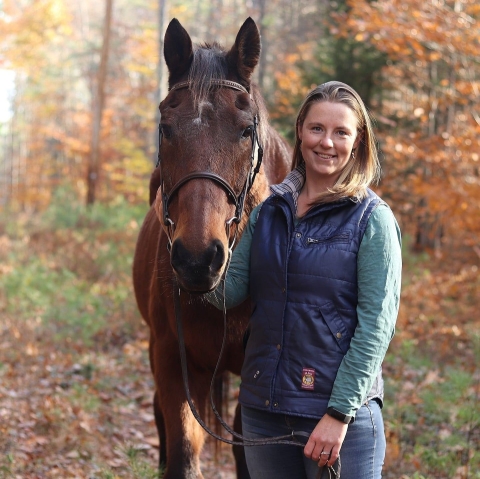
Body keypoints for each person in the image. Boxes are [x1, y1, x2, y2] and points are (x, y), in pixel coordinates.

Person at [206, 81, 402, 479]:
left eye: (340, 132)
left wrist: (339, 414)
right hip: (263, 414)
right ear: (300, 130)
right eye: (317, 129)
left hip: (337, 422)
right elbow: (229, 293)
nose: (326, 142)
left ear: (357, 140)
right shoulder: (269, 212)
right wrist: (191, 252)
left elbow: (376, 330)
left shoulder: (372, 220)